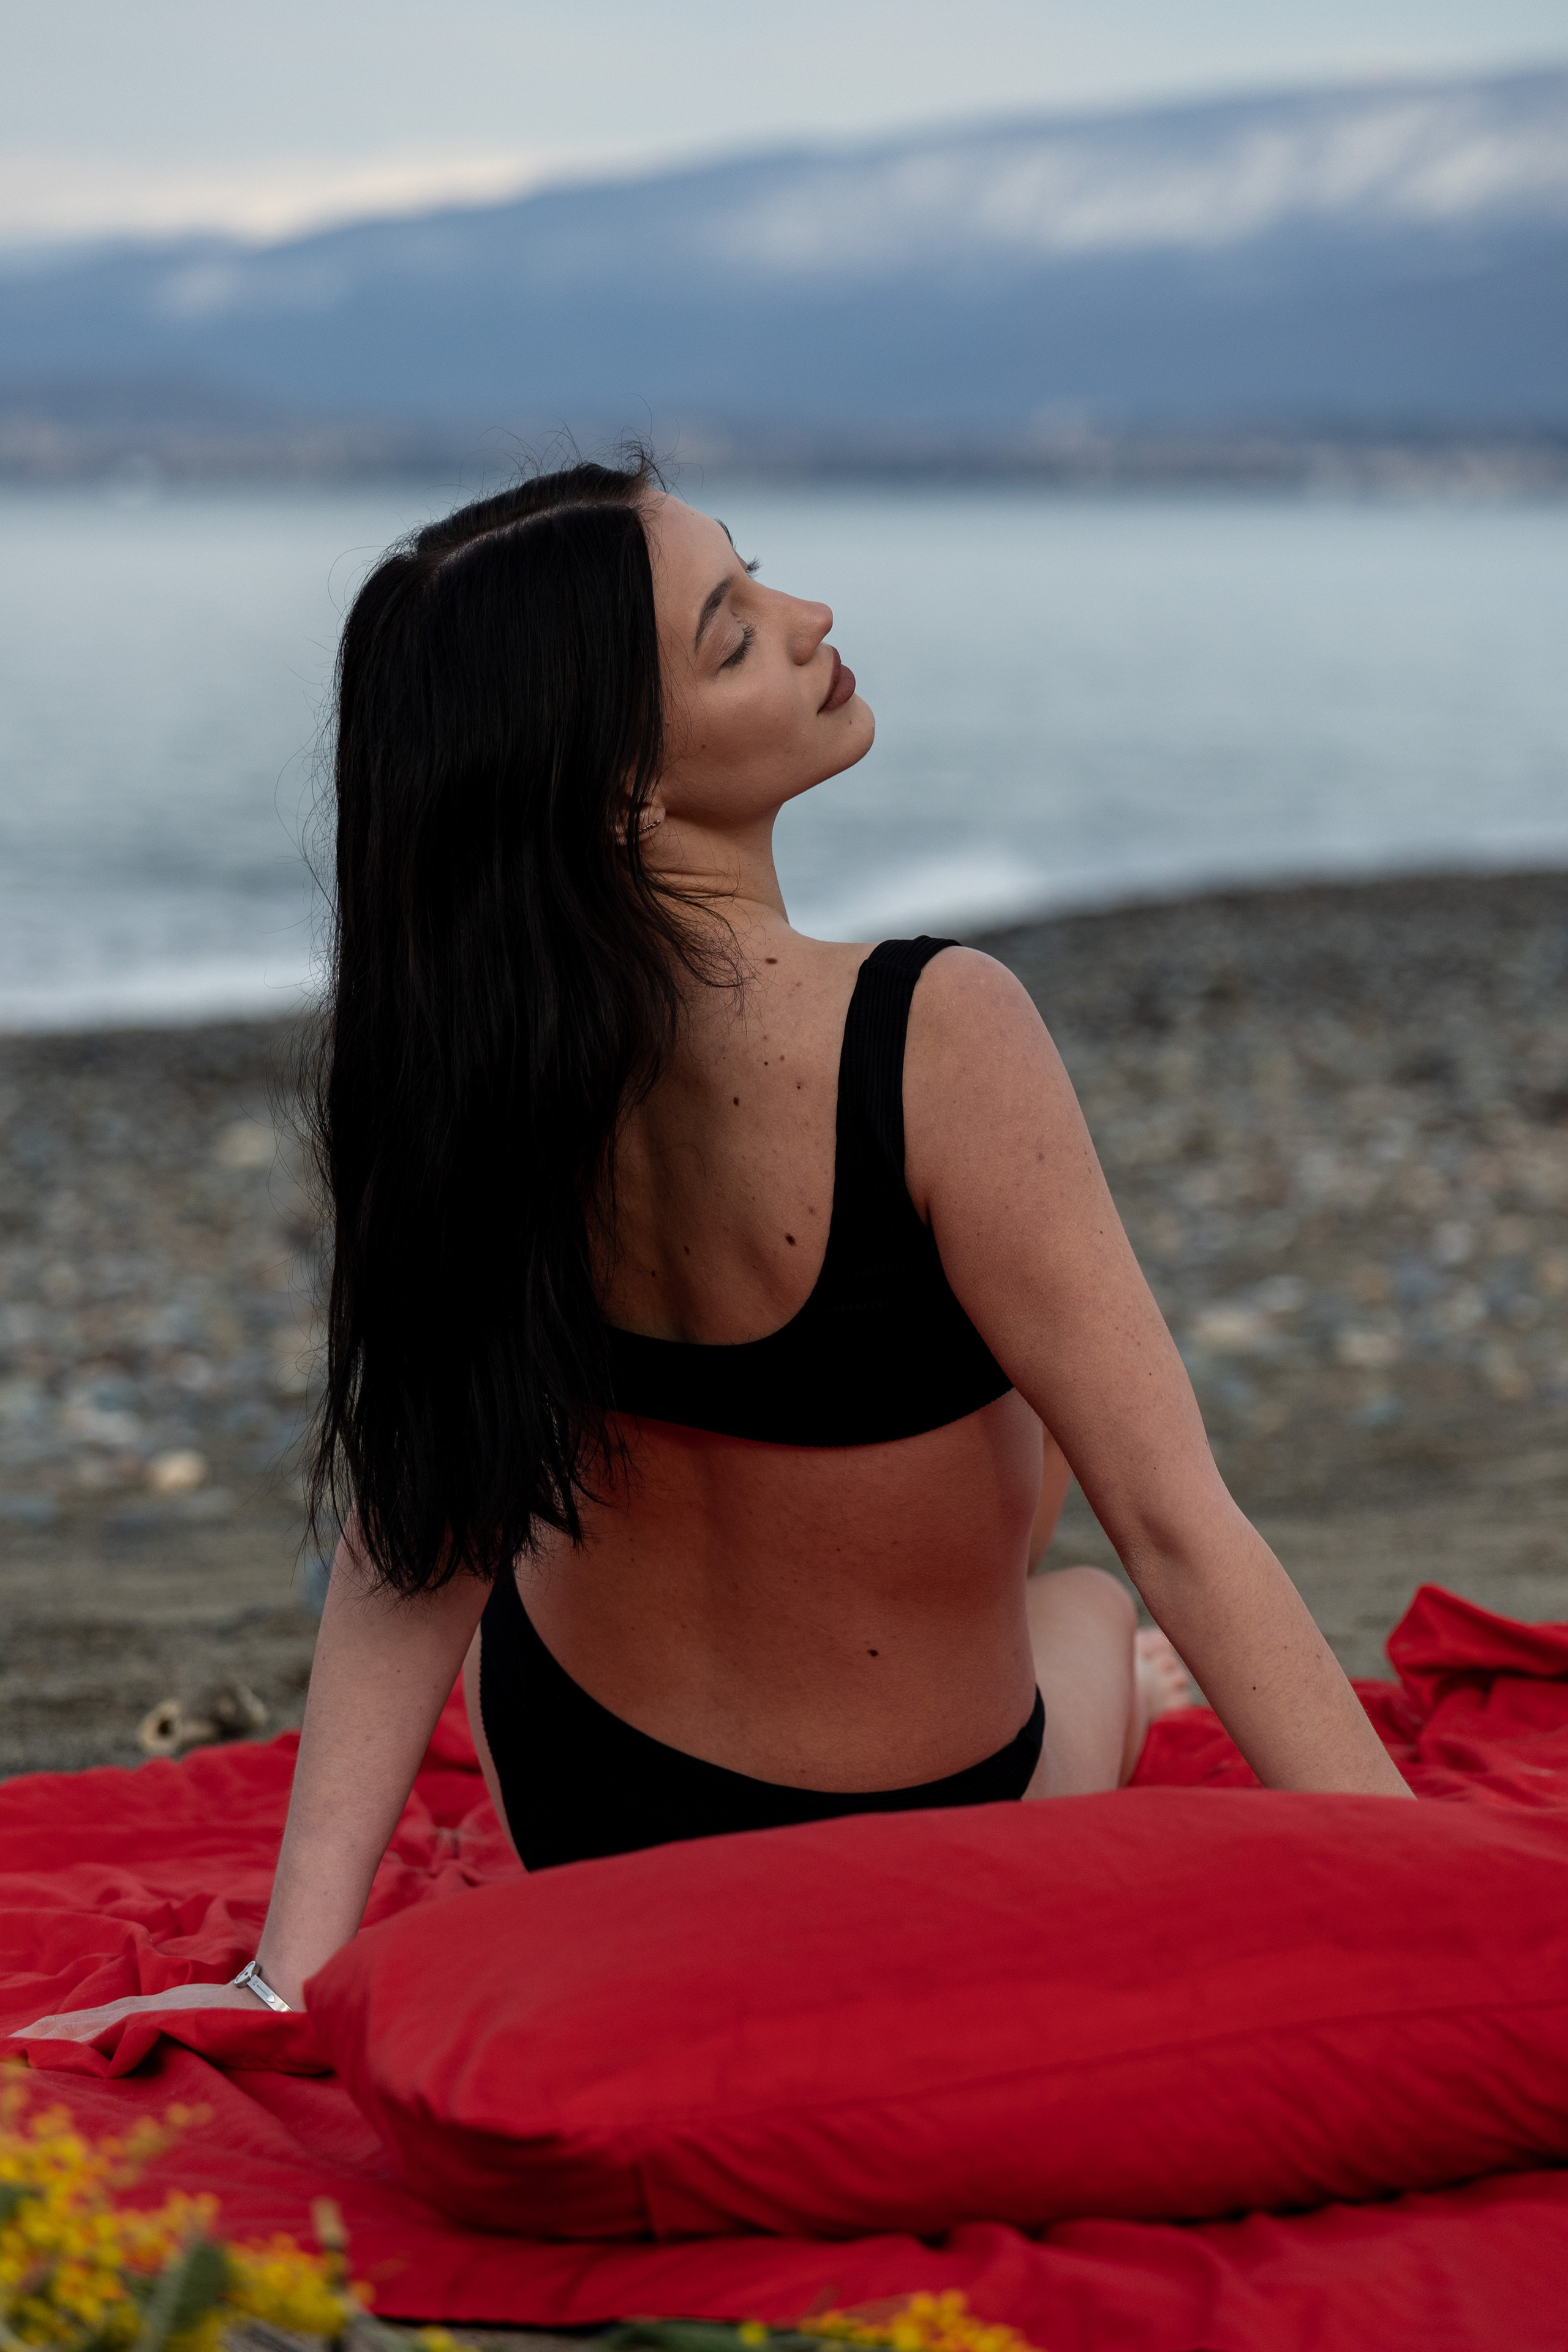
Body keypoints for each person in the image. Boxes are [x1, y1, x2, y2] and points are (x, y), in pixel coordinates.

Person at [29, 454, 1411, 2038]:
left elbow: (418, 1536)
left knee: (619, 1469)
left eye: (754, 579)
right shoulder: (939, 1027)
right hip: (915, 1856)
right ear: (621, 790)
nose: (812, 616)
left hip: (582, 1814)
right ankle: (1088, 1674)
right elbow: (1175, 1522)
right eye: (735, 633)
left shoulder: (488, 1075)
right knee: (1094, 1598)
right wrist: (1441, 1897)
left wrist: (287, 1976)